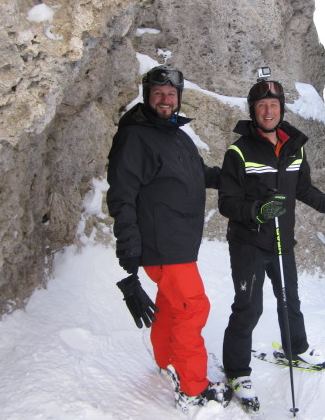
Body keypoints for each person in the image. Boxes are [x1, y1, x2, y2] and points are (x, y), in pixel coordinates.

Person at [217, 75, 325, 411]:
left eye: (273, 105)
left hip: (281, 240)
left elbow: (303, 189)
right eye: (262, 105)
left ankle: (296, 348)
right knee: (249, 307)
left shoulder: (294, 146)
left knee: (288, 299)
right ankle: (237, 371)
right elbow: (226, 202)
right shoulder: (239, 151)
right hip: (248, 243)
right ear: (253, 111)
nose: (268, 111)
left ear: (281, 109)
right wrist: (258, 211)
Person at [106, 65, 231, 411]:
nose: (165, 100)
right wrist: (128, 244)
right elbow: (122, 194)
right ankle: (193, 389)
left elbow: (196, 173)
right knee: (192, 308)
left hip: (178, 242)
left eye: (171, 94)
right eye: (159, 94)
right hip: (164, 244)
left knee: (172, 306)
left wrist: (229, 178)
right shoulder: (136, 136)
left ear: (178, 99)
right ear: (148, 96)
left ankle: (166, 362)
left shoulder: (175, 134)